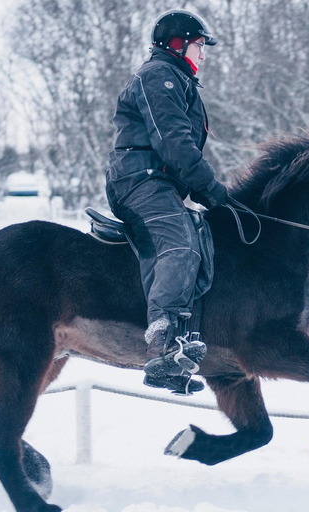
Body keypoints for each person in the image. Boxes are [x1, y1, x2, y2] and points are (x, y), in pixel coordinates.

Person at [105, 9, 228, 394]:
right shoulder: (158, 77)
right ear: (178, 44)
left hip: (162, 186)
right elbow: (174, 142)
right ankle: (161, 344)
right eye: (198, 46)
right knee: (180, 245)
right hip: (140, 182)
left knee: (201, 242)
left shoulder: (177, 79)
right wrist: (211, 189)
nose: (203, 55)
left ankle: (183, 347)